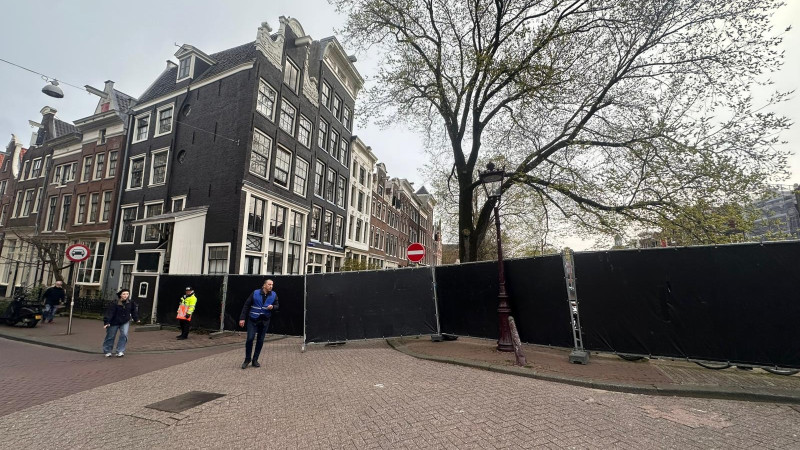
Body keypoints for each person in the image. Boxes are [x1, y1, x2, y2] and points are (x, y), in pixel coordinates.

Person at [239, 279, 279, 369]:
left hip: (264, 320)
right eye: (269, 284)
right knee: (250, 338)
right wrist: (242, 318)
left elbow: (277, 305)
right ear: (264, 285)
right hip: (253, 319)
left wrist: (273, 307)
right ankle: (247, 359)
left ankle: (255, 360)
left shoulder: (274, 295)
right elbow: (246, 305)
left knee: (260, 340)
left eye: (272, 285)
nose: (271, 286)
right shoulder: (255, 293)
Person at [102, 289, 139, 357]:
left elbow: (133, 311)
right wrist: (107, 322)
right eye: (124, 294)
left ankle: (120, 351)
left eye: (127, 294)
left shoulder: (130, 303)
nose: (125, 295)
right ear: (120, 295)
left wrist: (136, 319)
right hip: (114, 322)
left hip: (125, 321)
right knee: (110, 336)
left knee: (124, 335)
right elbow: (110, 313)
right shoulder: (114, 303)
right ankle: (108, 351)